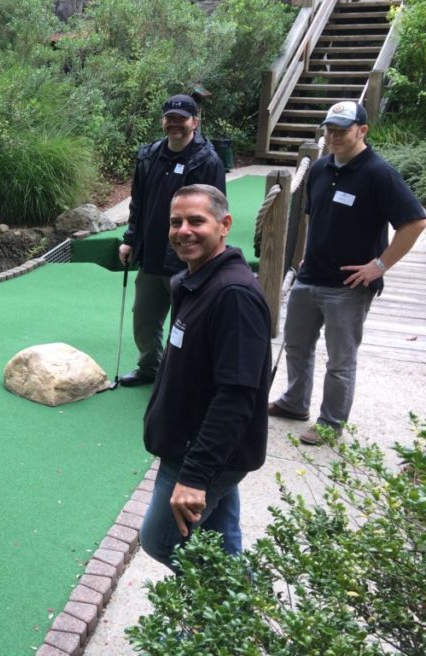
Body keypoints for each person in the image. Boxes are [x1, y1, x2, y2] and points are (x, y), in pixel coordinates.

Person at [269, 101, 426, 445]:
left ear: (362, 130)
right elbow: (313, 215)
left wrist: (379, 265)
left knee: (340, 360)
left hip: (349, 286)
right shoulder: (321, 168)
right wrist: (308, 253)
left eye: (342, 130)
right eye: (330, 129)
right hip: (311, 278)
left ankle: (330, 421)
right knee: (296, 347)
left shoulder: (378, 173)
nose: (335, 136)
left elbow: (415, 222)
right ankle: (295, 403)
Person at [140, 184, 271, 570]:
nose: (184, 230)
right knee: (219, 543)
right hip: (191, 445)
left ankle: (225, 612)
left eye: (196, 220)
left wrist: (195, 476)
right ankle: (231, 618)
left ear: (224, 225)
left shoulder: (233, 295)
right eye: (175, 222)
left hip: (202, 454)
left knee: (162, 541)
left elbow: (237, 395)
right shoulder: (191, 281)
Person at [117, 94, 226, 386]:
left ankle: (182, 377)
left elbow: (216, 211)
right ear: (163, 121)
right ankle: (149, 367)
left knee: (187, 323)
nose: (174, 124)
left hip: (187, 258)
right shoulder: (149, 155)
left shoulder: (207, 160)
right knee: (144, 319)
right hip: (151, 253)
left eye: (181, 119)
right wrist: (129, 240)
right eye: (170, 118)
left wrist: (210, 254)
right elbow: (137, 202)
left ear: (195, 122)